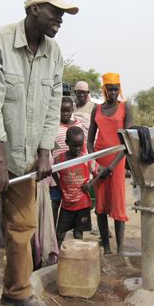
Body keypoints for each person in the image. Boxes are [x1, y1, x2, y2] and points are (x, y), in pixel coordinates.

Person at [0, 0, 78, 306]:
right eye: (55, 12)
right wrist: (0, 160)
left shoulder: (54, 53)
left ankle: (17, 290)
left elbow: (53, 104)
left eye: (63, 14)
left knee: (23, 226)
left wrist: (45, 152)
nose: (60, 19)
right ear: (34, 10)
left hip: (27, 152)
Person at [87, 72, 132, 255]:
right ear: (104, 89)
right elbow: (89, 141)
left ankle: (120, 249)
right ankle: (106, 247)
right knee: (101, 206)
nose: (113, 92)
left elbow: (127, 141)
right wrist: (96, 163)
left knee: (117, 203)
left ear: (119, 89)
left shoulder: (126, 107)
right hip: (100, 162)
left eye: (116, 89)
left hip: (118, 161)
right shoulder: (96, 109)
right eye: (109, 89)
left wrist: (111, 167)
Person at [52, 126, 98, 246]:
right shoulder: (61, 159)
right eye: (74, 145)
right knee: (60, 233)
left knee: (78, 234)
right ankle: (58, 257)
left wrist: (90, 184)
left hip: (82, 204)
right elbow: (52, 170)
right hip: (67, 204)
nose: (78, 149)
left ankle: (77, 257)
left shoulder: (86, 159)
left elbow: (100, 171)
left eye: (80, 145)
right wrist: (59, 185)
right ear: (67, 143)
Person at [48, 97, 84, 235]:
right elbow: (49, 150)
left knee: (72, 208)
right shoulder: (53, 127)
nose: (65, 114)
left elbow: (83, 150)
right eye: (62, 111)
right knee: (54, 205)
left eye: (68, 111)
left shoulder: (78, 125)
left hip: (73, 178)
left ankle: (71, 236)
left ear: (72, 110)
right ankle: (52, 237)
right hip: (55, 178)